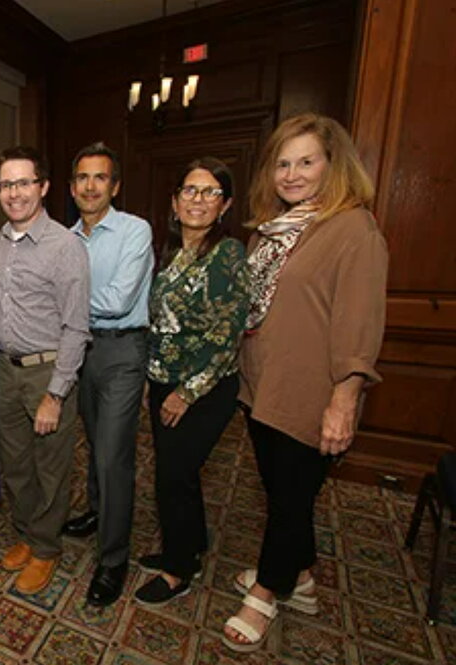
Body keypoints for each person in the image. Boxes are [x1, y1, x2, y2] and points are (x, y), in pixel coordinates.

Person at [223, 114, 388, 652]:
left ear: (332, 165)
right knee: (284, 492)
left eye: (306, 162)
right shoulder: (277, 231)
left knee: (289, 500)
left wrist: (344, 399)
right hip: (262, 386)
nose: (292, 174)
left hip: (310, 394)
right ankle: (303, 577)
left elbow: (359, 323)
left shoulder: (354, 229)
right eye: (283, 163)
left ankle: (268, 591)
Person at [134, 157, 250, 606]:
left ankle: (179, 569)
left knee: (173, 475)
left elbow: (227, 334)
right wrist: (154, 378)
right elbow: (160, 324)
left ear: (225, 205)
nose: (198, 200)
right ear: (175, 201)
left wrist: (186, 391)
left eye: (210, 192)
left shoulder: (228, 254)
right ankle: (190, 546)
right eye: (190, 190)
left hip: (205, 388)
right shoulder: (170, 253)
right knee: (175, 473)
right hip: (165, 381)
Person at [0, 146, 91, 594]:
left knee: (50, 466)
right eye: (6, 184)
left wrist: (56, 392)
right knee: (15, 464)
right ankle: (29, 535)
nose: (14, 193)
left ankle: (47, 548)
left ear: (44, 187)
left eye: (23, 183)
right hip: (5, 369)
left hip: (46, 371)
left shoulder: (65, 245)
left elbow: (77, 327)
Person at [65, 142, 154, 606]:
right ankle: (99, 513)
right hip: (81, 350)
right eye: (82, 178)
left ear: (114, 185)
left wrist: (62, 305)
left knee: (112, 454)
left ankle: (114, 558)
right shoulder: (67, 237)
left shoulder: (135, 230)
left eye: (100, 177)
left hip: (122, 350)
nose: (90, 186)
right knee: (94, 438)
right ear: (72, 186)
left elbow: (119, 301)